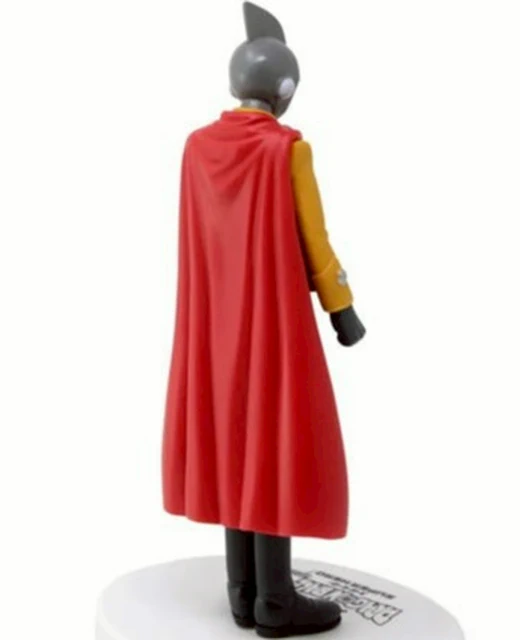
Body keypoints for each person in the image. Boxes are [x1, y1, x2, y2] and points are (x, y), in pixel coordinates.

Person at [162, 3, 365, 637]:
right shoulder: (287, 150)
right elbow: (313, 239)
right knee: (274, 445)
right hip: (270, 325)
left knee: (232, 442)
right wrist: (342, 308)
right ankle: (275, 601)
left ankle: (241, 589)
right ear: (285, 90)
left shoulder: (196, 148)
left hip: (212, 330)